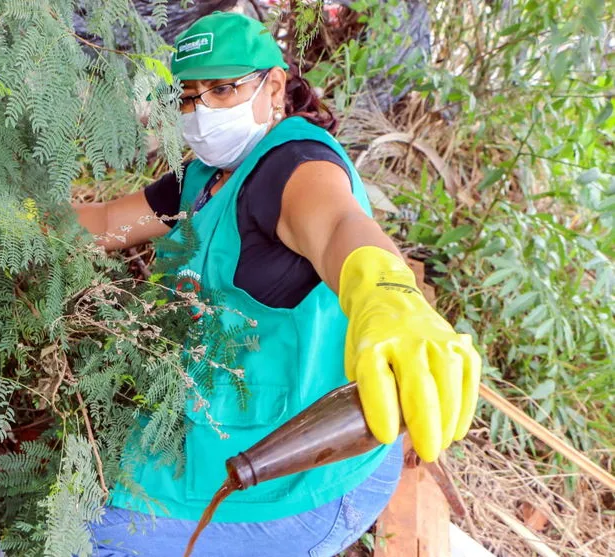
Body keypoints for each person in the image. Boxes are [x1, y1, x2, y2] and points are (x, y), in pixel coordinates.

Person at [74, 11, 480, 557]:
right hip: (220, 421)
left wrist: (387, 293)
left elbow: (338, 224)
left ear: (272, 86)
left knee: (83, 541)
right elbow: (104, 224)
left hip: (301, 471)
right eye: (187, 98)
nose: (201, 113)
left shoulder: (292, 166)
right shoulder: (204, 179)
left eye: (221, 89)